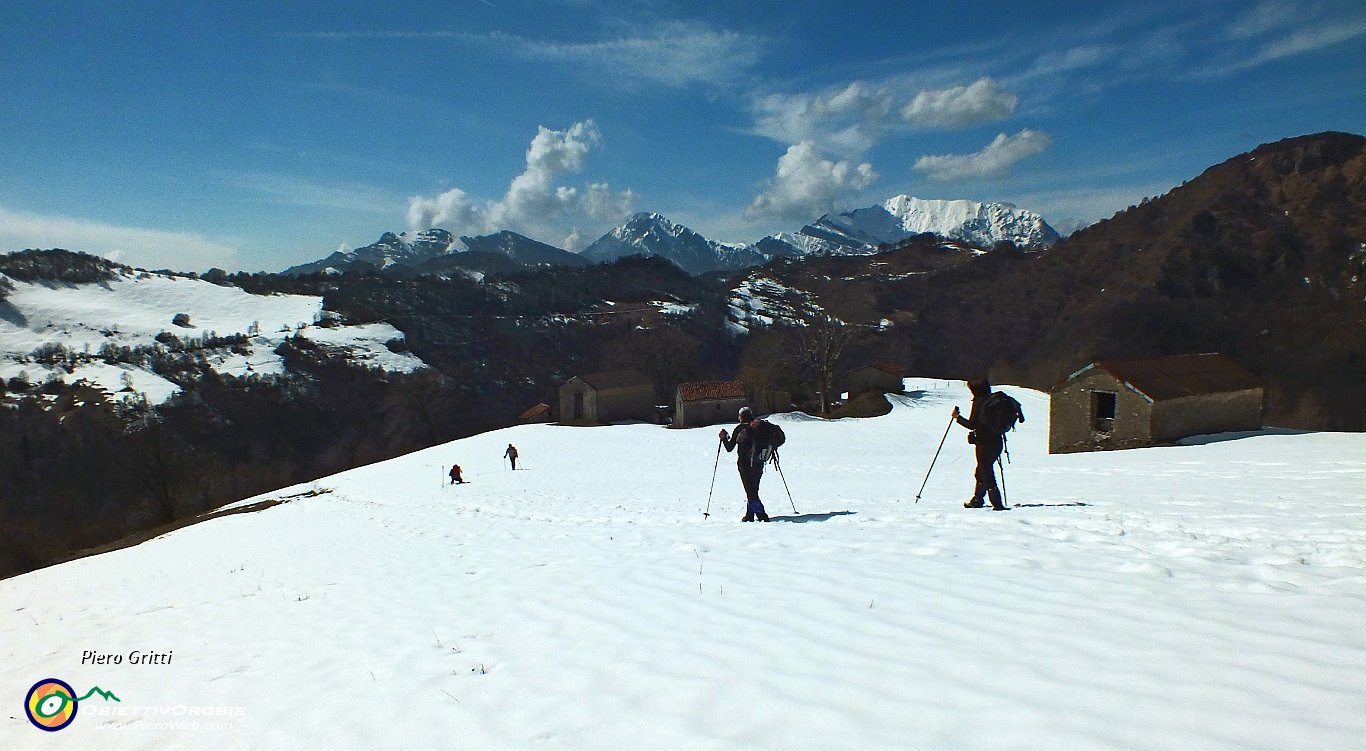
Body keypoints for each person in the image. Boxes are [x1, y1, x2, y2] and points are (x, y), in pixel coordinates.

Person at [952, 378, 1017, 511]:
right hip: (997, 441)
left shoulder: (979, 402)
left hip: (984, 443)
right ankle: (977, 499)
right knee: (982, 470)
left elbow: (972, 424)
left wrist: (957, 418)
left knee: (986, 471)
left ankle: (996, 503)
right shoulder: (993, 401)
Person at [719, 406, 769, 522]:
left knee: (751, 491)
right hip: (758, 463)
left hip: (744, 465)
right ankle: (749, 515)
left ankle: (762, 515)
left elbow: (729, 448)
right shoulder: (760, 427)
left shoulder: (740, 428)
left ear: (741, 417)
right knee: (753, 490)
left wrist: (723, 438)